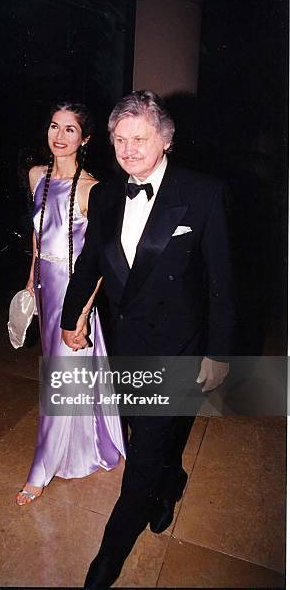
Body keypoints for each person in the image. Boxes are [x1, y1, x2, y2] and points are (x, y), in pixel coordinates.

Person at [61, 90, 235, 587]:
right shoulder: (107, 195)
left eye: (140, 138)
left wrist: (219, 352)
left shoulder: (203, 193)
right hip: (126, 340)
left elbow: (223, 282)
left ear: (166, 140)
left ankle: (110, 553)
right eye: (119, 139)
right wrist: (71, 316)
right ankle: (169, 482)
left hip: (178, 343)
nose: (128, 149)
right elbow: (90, 262)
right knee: (144, 426)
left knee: (145, 447)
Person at [16, 102, 126, 506]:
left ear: (85, 139)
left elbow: (97, 260)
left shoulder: (92, 188)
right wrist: (30, 281)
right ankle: (89, 443)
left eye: (70, 130)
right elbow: (36, 233)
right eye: (54, 126)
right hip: (46, 283)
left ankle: (41, 469)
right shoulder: (35, 177)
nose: (59, 137)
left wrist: (82, 312)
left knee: (62, 373)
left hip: (73, 289)